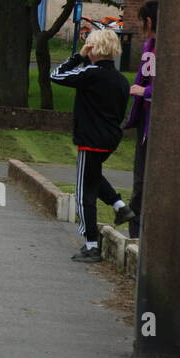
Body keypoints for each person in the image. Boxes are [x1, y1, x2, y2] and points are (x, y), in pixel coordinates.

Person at [51, 28, 134, 262]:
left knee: (83, 193)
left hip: (90, 139)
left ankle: (91, 245)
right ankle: (120, 206)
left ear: (93, 49)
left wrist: (78, 57)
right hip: (110, 139)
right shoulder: (120, 80)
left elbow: (56, 75)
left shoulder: (91, 73)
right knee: (92, 176)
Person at [124, 0, 157, 239]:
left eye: (142, 21)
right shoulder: (149, 46)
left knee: (146, 181)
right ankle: (136, 231)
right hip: (144, 123)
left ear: (149, 21)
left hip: (154, 123)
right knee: (140, 182)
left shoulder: (162, 48)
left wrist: (143, 92)